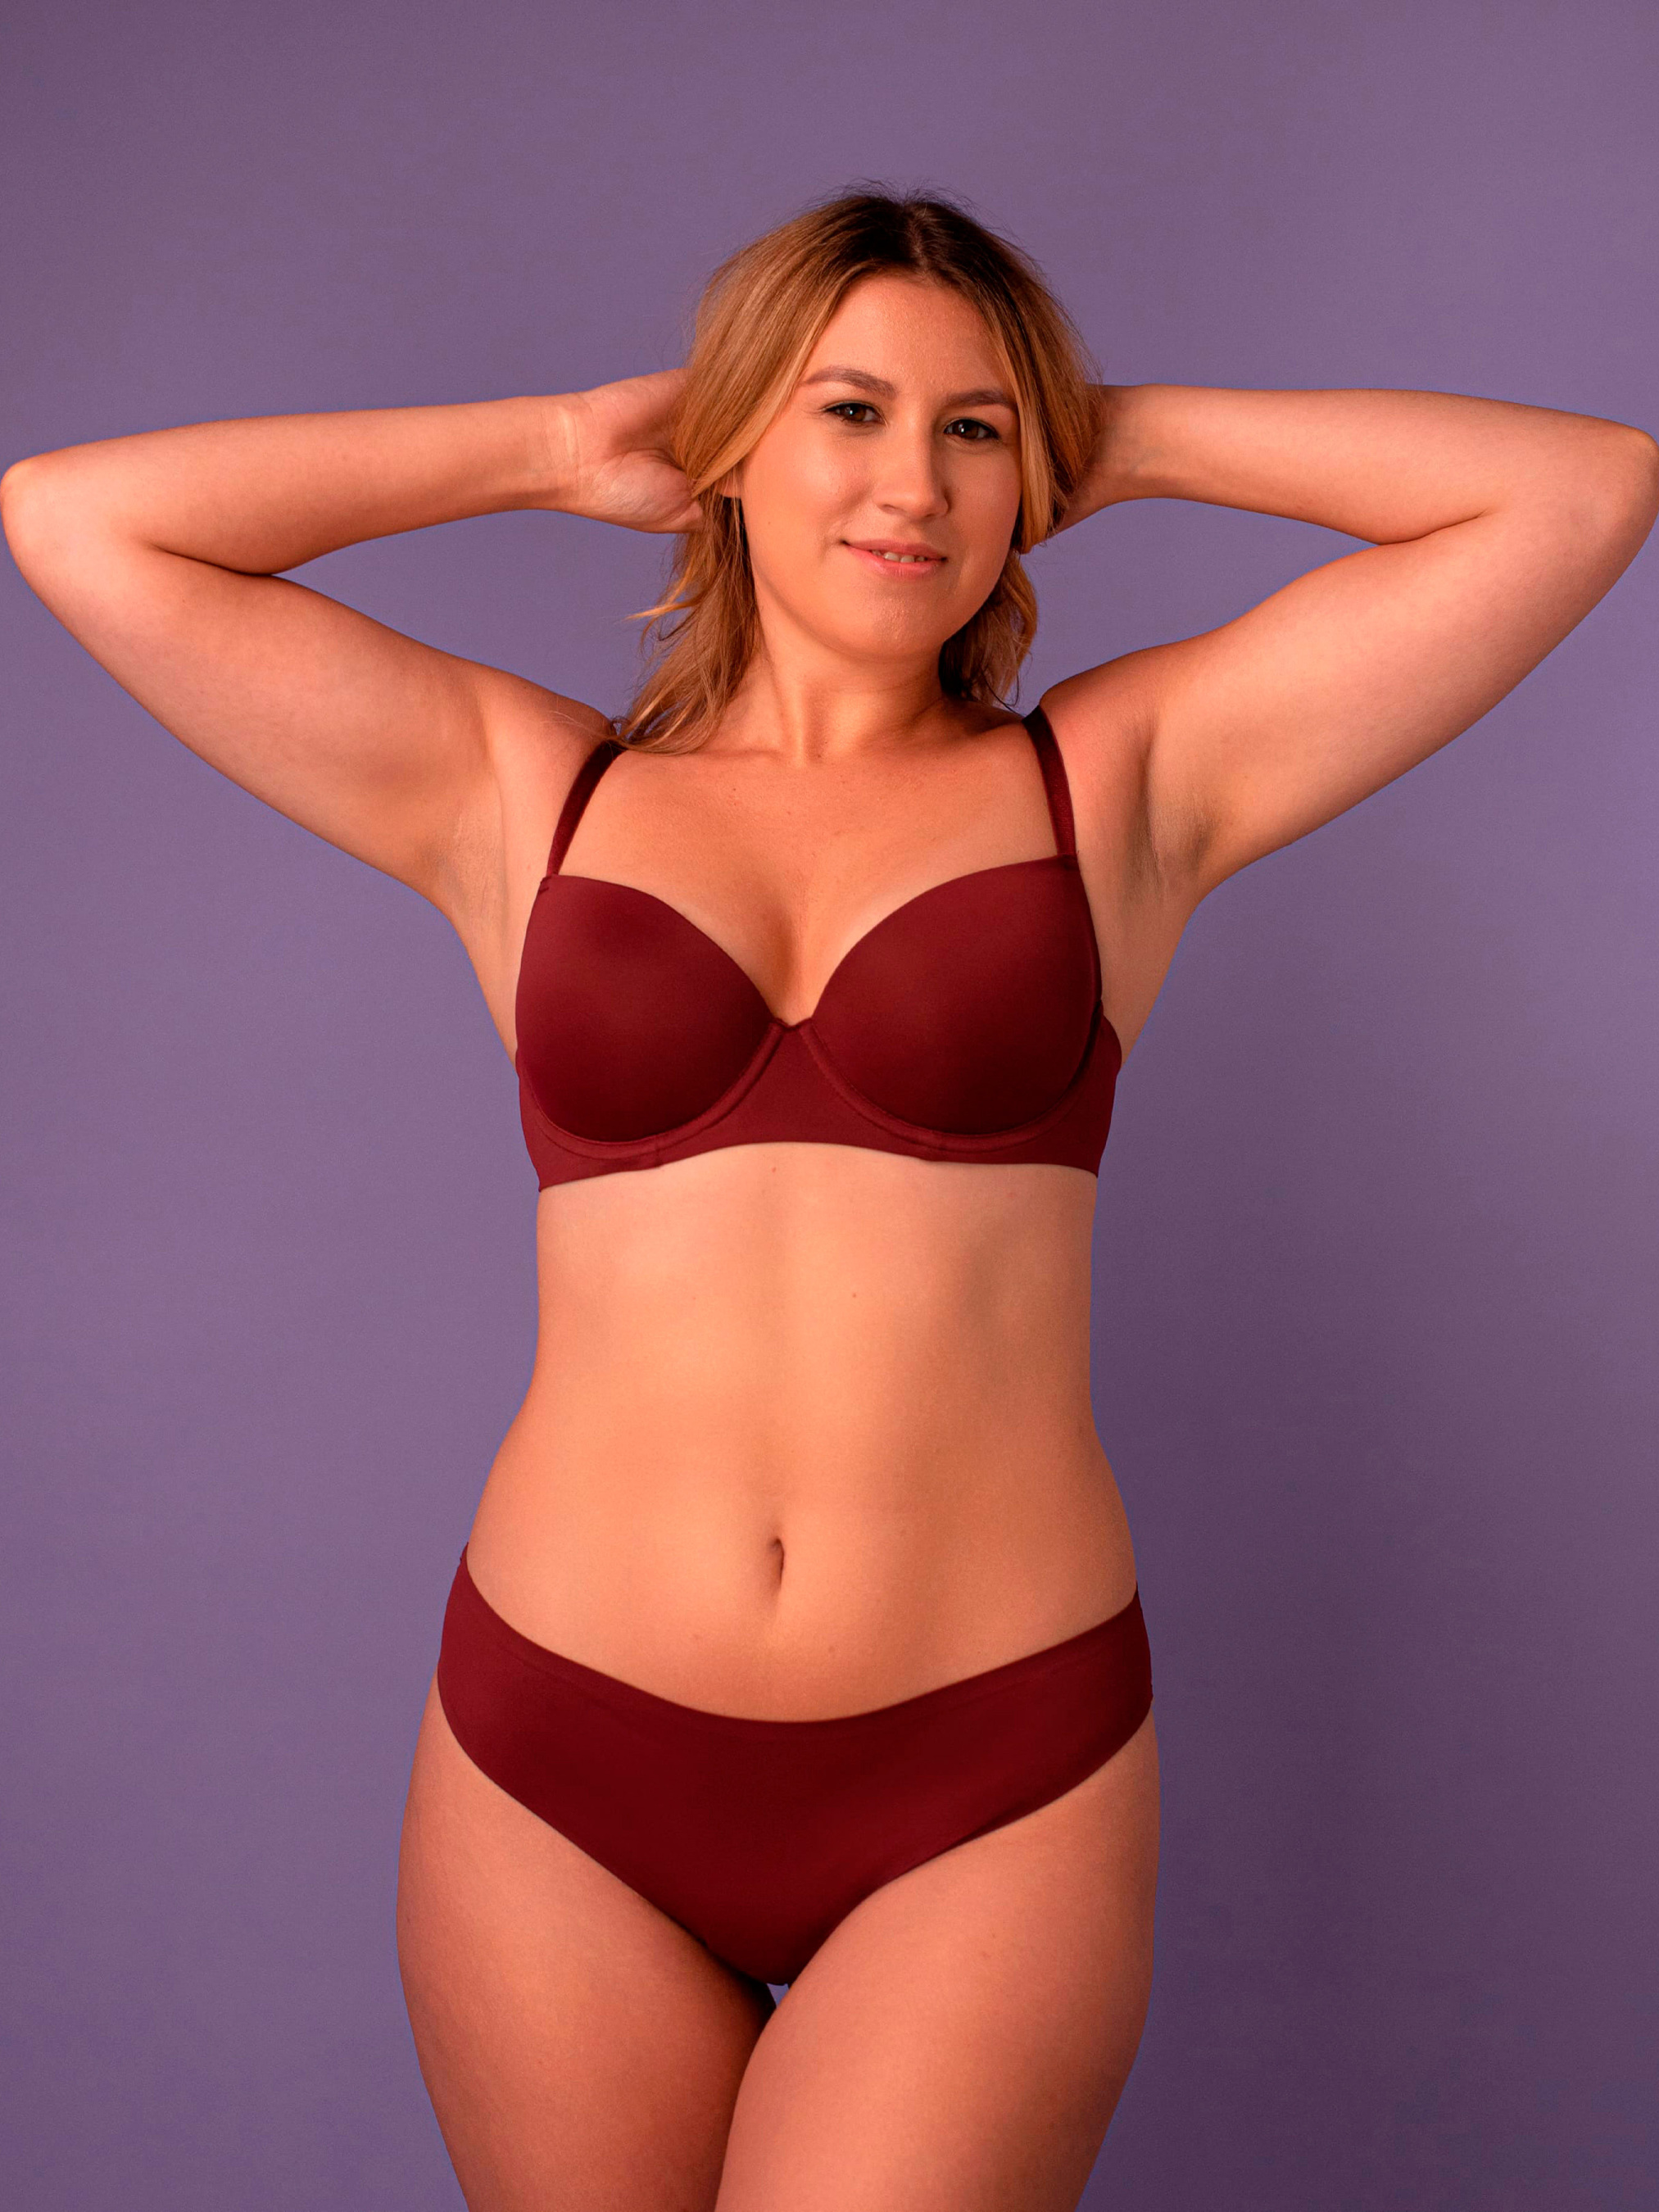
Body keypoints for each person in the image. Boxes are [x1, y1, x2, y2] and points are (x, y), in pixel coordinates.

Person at [3, 186, 1653, 2212]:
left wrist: (1114, 434)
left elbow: (1578, 492)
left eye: (974, 431)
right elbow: (78, 523)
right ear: (726, 446)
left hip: (987, 1771)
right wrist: (552, 447)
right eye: (847, 411)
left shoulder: (1113, 789)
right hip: (556, 1765)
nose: (913, 484)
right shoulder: (527, 798)